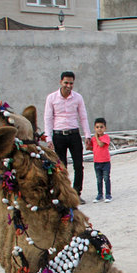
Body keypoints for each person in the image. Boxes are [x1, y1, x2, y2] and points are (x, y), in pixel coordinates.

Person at [44, 71, 91, 203]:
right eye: (66, 83)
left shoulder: (78, 98)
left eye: (71, 83)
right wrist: (48, 138)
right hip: (59, 135)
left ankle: (76, 193)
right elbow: (48, 118)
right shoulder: (52, 98)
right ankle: (64, 194)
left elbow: (83, 117)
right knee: (61, 166)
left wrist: (87, 135)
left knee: (78, 165)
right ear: (60, 82)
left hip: (74, 134)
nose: (68, 86)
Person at [89, 118, 112, 202]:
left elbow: (101, 144)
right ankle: (99, 194)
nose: (99, 129)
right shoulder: (93, 139)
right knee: (99, 179)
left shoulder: (106, 137)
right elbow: (92, 147)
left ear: (105, 128)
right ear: (95, 128)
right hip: (97, 162)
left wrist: (96, 137)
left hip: (105, 162)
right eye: (97, 127)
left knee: (106, 178)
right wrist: (88, 144)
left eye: (101, 127)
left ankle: (108, 194)